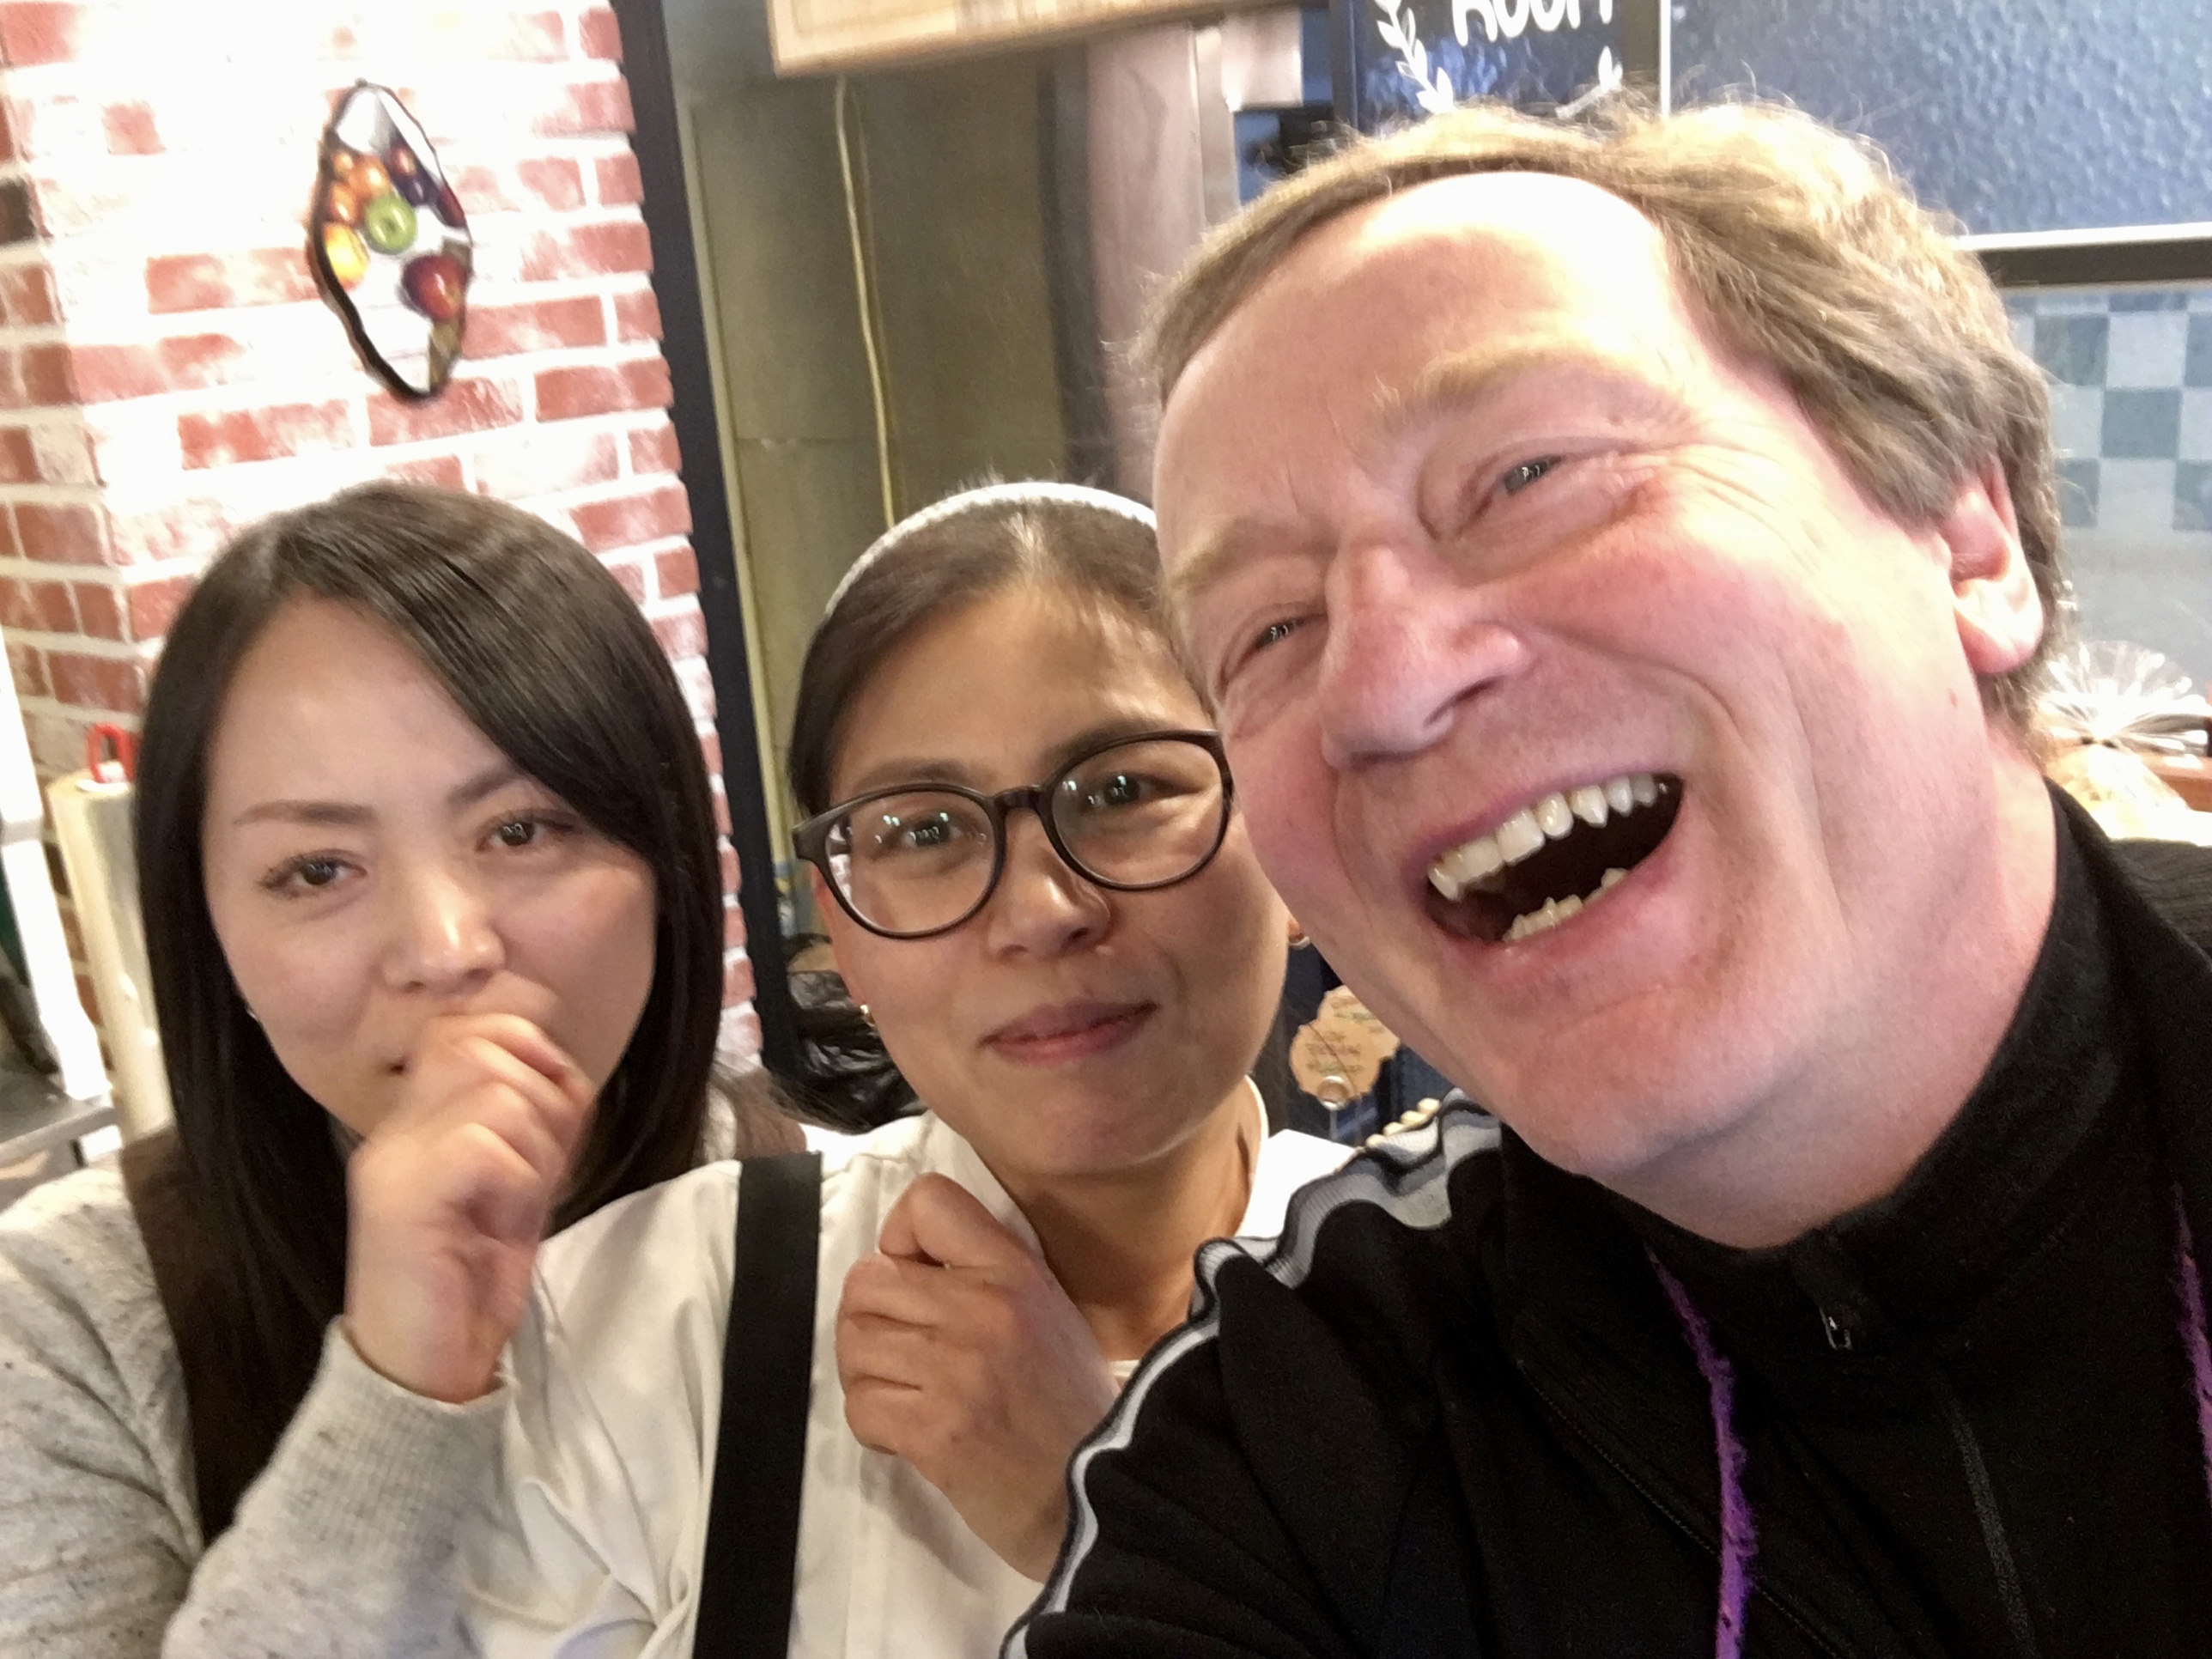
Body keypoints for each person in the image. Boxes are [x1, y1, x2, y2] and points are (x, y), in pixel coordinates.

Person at [1012, 97, 2212, 1657]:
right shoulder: (1312, 1443)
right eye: (1269, 632)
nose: (1380, 689)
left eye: (1528, 475)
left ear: (1965, 538)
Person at [458, 483, 1351, 1656]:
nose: (1039, 911)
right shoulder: (645, 1329)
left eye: (1123, 791)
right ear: (839, 922)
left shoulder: (1476, 1324)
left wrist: (1101, 1518)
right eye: (924, 832)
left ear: (1289, 827)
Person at [0, 483, 793, 1656]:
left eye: (521, 829)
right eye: (317, 870)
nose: (446, 949)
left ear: (666, 849)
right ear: (207, 925)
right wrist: (395, 1394)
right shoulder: (67, 1322)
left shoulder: (833, 1220)